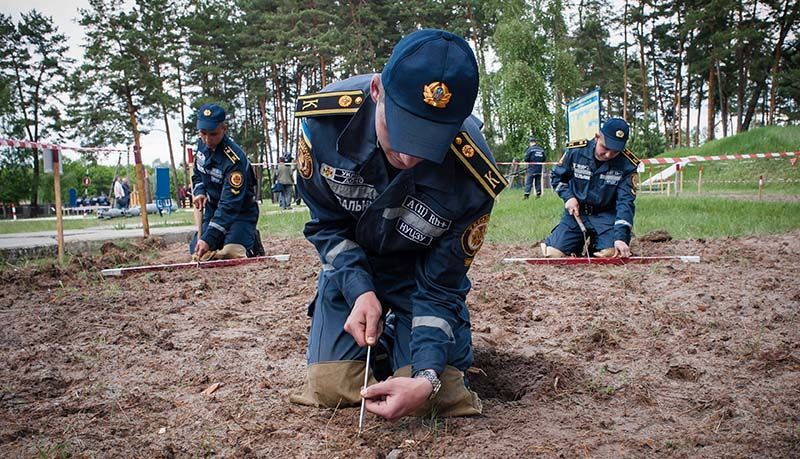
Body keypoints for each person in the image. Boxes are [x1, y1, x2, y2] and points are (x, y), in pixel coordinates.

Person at [290, 29, 507, 421]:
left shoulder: (473, 175)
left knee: (438, 399)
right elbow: (327, 226)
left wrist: (427, 378)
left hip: (419, 277)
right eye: (401, 131)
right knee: (330, 387)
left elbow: (441, 284)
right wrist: (358, 290)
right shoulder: (324, 126)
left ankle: (404, 341)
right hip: (353, 267)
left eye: (428, 143)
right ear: (377, 91)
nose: (407, 157)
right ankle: (383, 335)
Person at [542, 117, 639, 258]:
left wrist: (621, 237)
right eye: (605, 148)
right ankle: (575, 243)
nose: (608, 155)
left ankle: (598, 242)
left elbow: (625, 202)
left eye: (615, 152)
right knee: (553, 254)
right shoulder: (576, 152)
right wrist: (568, 198)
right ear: (597, 137)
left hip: (606, 217)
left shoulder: (627, 164)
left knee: (611, 254)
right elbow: (557, 177)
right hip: (577, 215)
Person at [190, 103, 263, 260]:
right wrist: (200, 192)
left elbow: (229, 204)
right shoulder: (201, 145)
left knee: (231, 253)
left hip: (239, 213)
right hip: (212, 211)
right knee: (199, 254)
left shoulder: (235, 160)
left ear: (224, 128)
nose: (207, 139)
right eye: (203, 133)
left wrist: (209, 238)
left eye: (213, 134)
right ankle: (219, 239)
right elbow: (198, 174)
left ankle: (251, 241)